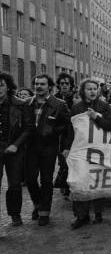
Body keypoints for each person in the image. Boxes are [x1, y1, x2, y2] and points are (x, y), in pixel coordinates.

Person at [68, 79, 111, 229]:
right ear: (83, 91)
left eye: (95, 88)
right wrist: (66, 148)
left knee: (97, 179)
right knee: (80, 180)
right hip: (81, 149)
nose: (93, 91)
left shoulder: (104, 106)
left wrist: (96, 117)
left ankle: (98, 213)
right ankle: (81, 216)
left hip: (98, 150)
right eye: (89, 89)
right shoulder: (76, 108)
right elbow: (70, 130)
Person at [24, 74, 71, 226]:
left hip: (48, 147)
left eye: (42, 84)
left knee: (46, 180)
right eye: (37, 84)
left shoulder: (59, 104)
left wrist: (64, 145)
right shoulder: (27, 103)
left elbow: (67, 128)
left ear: (49, 86)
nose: (39, 86)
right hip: (30, 146)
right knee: (30, 179)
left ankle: (44, 212)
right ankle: (38, 204)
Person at [0, 73, 34, 227]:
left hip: (14, 148)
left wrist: (16, 144)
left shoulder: (20, 104)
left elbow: (28, 128)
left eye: (1, 85)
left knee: (14, 185)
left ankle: (15, 213)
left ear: (8, 86)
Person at [54, 72, 77, 198]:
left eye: (67, 83)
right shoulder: (54, 99)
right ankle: (64, 184)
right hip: (60, 135)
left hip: (73, 134)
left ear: (71, 85)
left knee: (72, 160)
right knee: (63, 160)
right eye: (62, 83)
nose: (64, 86)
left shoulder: (75, 100)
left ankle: (68, 184)